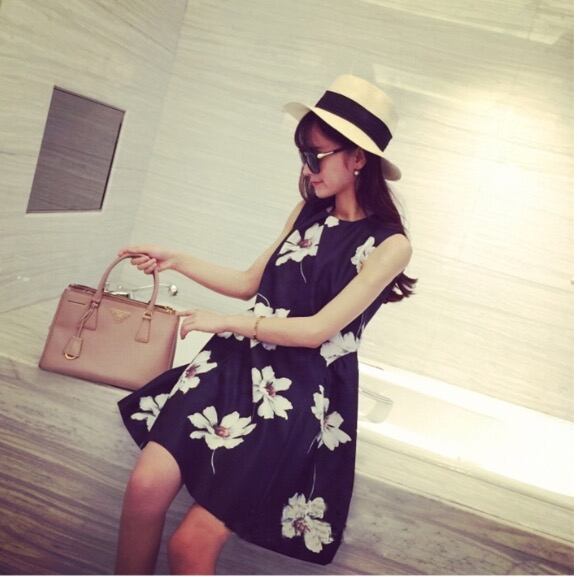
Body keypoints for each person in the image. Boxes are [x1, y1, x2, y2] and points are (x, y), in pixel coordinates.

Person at [114, 74, 417, 575]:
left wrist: (227, 323)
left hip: (295, 394)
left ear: (358, 158)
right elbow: (248, 282)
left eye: (316, 155)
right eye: (303, 154)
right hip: (232, 368)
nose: (306, 168)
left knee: (190, 547)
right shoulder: (305, 212)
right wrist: (175, 259)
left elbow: (316, 331)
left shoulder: (391, 245)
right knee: (143, 489)